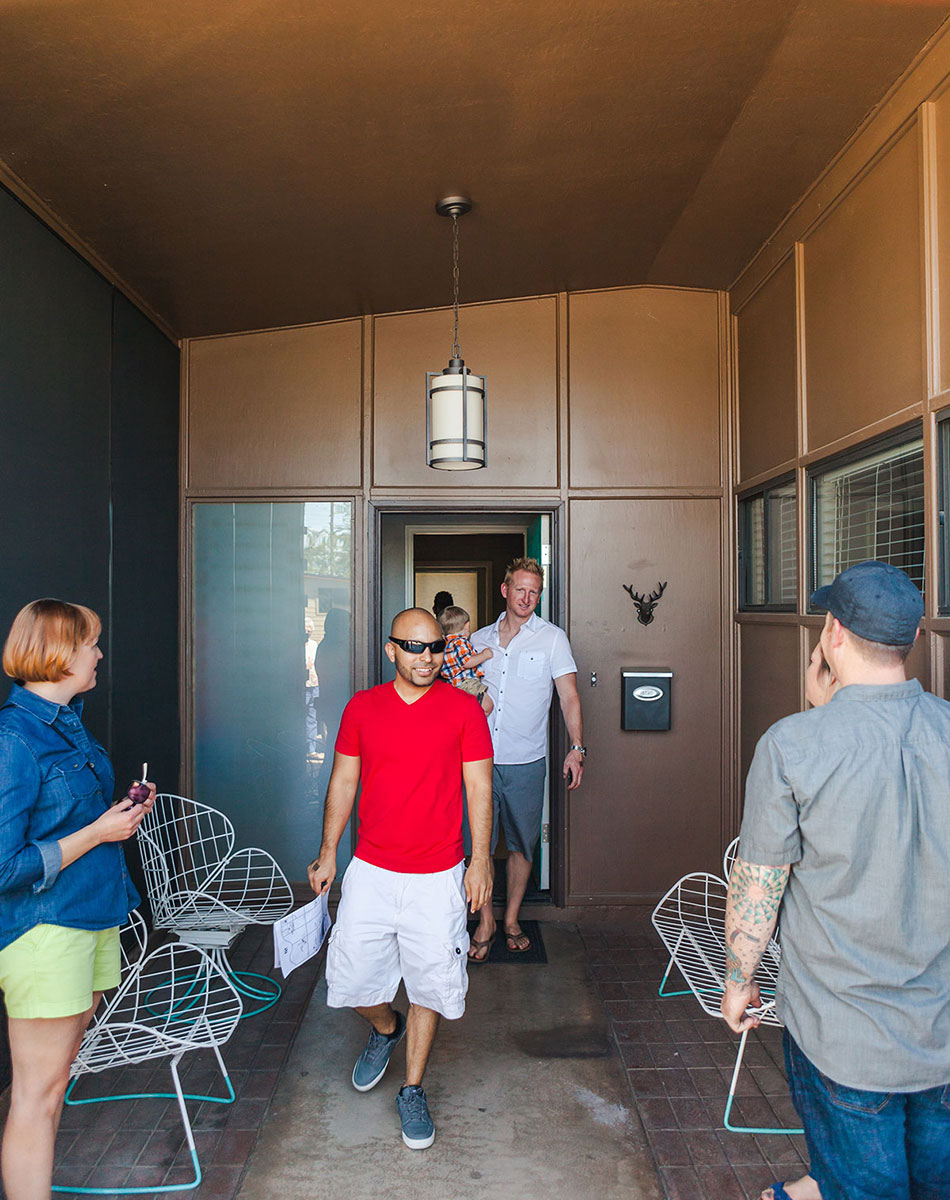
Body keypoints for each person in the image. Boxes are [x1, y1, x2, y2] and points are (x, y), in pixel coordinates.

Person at [721, 561, 950, 1200]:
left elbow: (758, 886)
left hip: (844, 1038)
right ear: (910, 640)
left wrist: (739, 983)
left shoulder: (792, 746)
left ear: (832, 632)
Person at [308, 607, 493, 1150]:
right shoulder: (363, 709)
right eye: (414, 648)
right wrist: (327, 852)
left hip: (439, 874)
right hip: (371, 869)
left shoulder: (463, 711)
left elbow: (479, 789)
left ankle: (412, 1089)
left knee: (432, 981)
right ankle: (387, 1028)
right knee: (348, 979)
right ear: (391, 650)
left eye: (435, 648)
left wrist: (480, 861)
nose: (427, 658)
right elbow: (344, 781)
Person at [0, 599, 156, 1200]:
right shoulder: (15, 737)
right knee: (36, 1096)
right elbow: (5, 864)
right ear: (60, 654)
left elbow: (67, 820)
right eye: (90, 643)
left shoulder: (66, 721)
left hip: (90, 918)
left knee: (54, 1085)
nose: (98, 654)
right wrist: (98, 832)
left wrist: (117, 816)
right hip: (46, 933)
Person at [470, 556, 584, 959]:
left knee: (522, 845)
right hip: (477, 763)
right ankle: (484, 921)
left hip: (526, 762)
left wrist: (576, 747)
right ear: (505, 591)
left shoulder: (552, 638)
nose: (527, 598)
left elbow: (569, 696)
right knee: (478, 845)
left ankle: (512, 918)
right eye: (520, 589)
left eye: (534, 592)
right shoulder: (478, 640)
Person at [437, 604, 494, 715]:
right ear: (467, 625)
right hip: (467, 683)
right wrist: (484, 655)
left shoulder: (445, 644)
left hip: (454, 685)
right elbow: (466, 662)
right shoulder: (459, 642)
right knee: (487, 706)